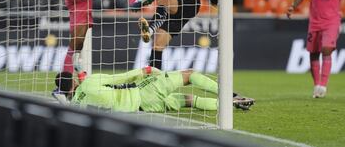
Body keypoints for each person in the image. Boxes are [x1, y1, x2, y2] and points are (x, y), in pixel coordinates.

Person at [54, 67, 255, 111]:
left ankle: (231, 105)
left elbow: (80, 90)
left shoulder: (75, 105)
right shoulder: (90, 81)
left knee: (187, 100)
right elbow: (122, 77)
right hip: (141, 92)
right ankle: (230, 95)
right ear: (72, 80)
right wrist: (146, 70)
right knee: (189, 75)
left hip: (142, 109)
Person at [287, 0, 345, 98]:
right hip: (314, 23)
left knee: (327, 49)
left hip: (331, 22)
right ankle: (316, 85)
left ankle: (323, 86)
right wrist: (293, 6)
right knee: (313, 54)